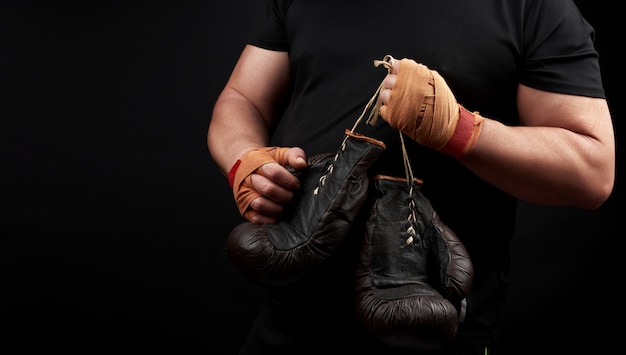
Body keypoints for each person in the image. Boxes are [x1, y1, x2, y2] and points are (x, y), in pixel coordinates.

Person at [207, 0, 615, 354]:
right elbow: (242, 99)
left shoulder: (532, 6)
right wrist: (244, 159)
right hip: (291, 318)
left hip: (433, 329)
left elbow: (592, 170)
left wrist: (458, 129)